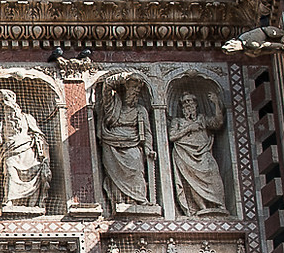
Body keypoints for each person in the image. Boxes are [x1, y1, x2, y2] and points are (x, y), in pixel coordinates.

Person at [98, 78, 158, 211]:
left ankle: (139, 200)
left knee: (137, 170)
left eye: (136, 93)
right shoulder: (113, 106)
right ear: (124, 92)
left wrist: (148, 148)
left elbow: (147, 132)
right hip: (111, 144)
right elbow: (106, 89)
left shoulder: (140, 110)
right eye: (132, 92)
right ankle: (119, 202)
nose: (134, 95)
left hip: (132, 144)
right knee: (114, 175)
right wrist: (121, 77)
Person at [169, 90, 229, 215]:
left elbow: (218, 123)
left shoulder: (202, 119)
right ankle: (201, 208)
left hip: (204, 153)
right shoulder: (178, 122)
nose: (187, 104)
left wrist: (216, 103)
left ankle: (219, 204)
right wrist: (188, 128)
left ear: (195, 103)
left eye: (190, 101)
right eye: (184, 102)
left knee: (213, 173)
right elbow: (172, 136)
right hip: (185, 155)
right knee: (192, 182)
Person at [0, 92, 51, 215]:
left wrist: (44, 154)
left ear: (13, 99)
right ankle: (9, 202)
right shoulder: (3, 123)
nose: (5, 103)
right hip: (10, 153)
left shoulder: (27, 118)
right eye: (2, 102)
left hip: (28, 150)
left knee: (35, 172)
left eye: (6, 99)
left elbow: (39, 135)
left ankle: (33, 205)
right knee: (10, 172)